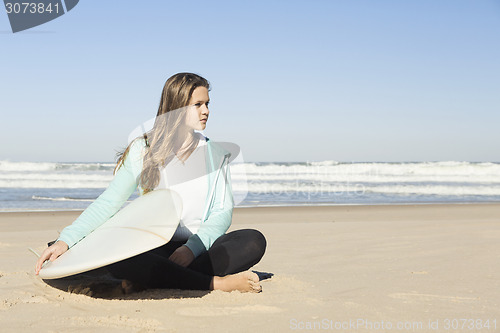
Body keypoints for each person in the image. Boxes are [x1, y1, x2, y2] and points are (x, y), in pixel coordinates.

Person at [35, 73, 267, 293]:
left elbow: (222, 212)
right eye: (197, 104)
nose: (206, 111)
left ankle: (157, 279)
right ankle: (213, 283)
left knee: (252, 241)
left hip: (199, 247)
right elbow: (110, 202)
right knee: (123, 256)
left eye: (207, 104)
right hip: (150, 245)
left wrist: (190, 249)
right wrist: (67, 239)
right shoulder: (143, 149)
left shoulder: (215, 153)